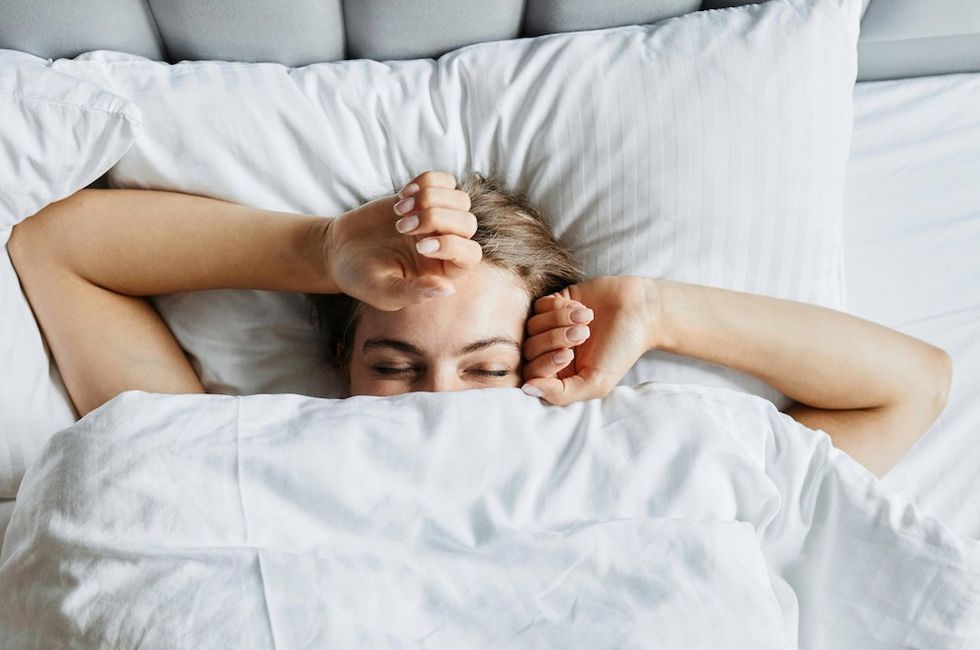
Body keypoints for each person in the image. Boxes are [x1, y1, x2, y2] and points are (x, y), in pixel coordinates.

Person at [8, 170, 951, 478]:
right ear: (342, 367)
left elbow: (910, 386)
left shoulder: (625, 466)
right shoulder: (246, 456)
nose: (440, 405)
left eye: (486, 366)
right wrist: (318, 251)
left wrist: (658, 312)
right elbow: (57, 246)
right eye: (395, 364)